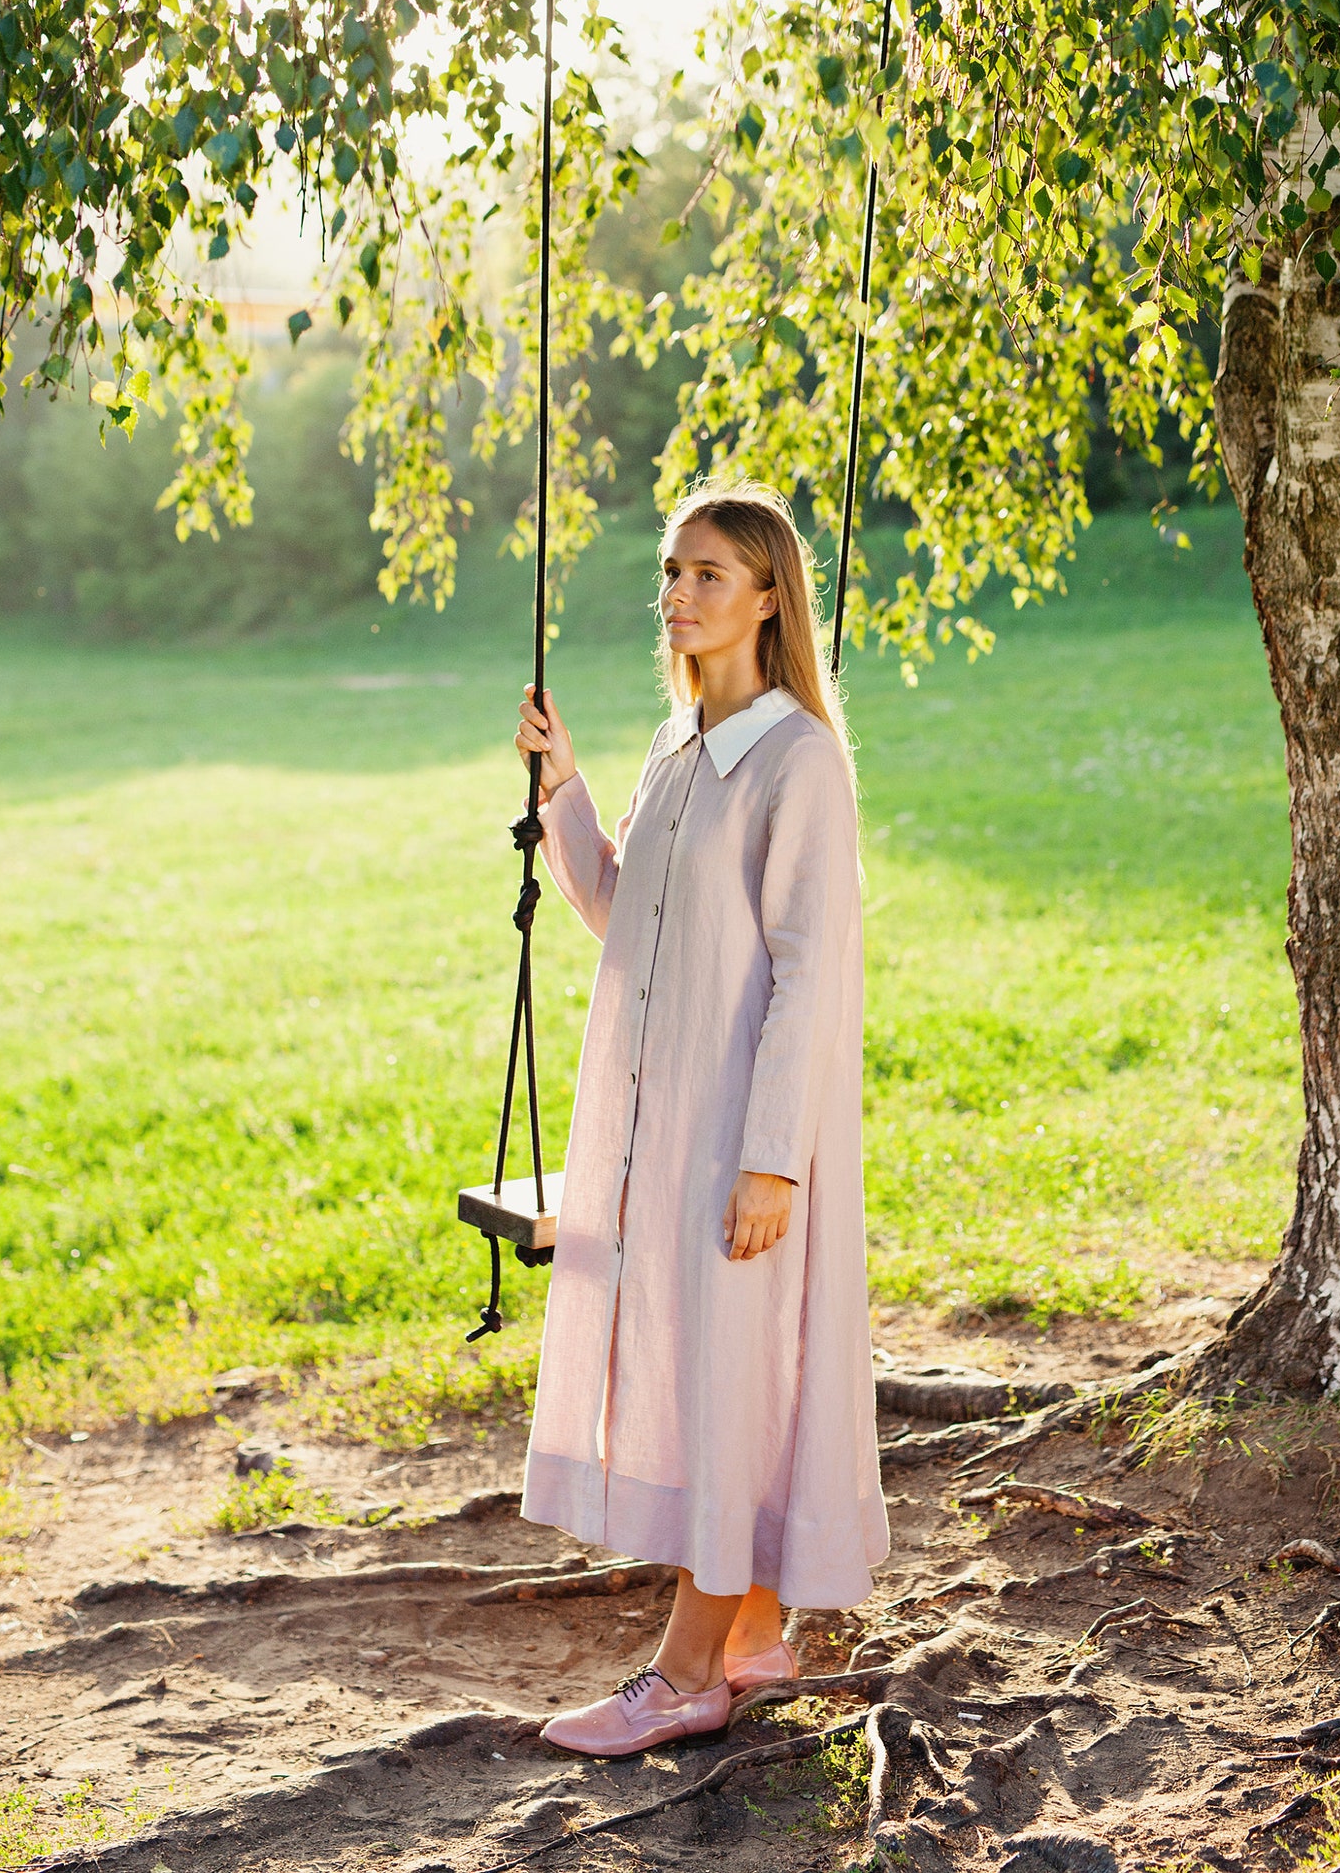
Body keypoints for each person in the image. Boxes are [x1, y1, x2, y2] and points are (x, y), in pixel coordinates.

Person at [512, 479, 888, 1758]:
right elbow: (627, 921)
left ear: (770, 594)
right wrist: (562, 789)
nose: (677, 597)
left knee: (733, 1374)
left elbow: (810, 972)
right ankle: (760, 1628)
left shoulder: (799, 762)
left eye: (708, 575)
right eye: (669, 573)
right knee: (725, 1367)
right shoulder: (675, 747)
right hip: (659, 1121)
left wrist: (773, 1162)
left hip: (744, 1130)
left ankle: (686, 1677)